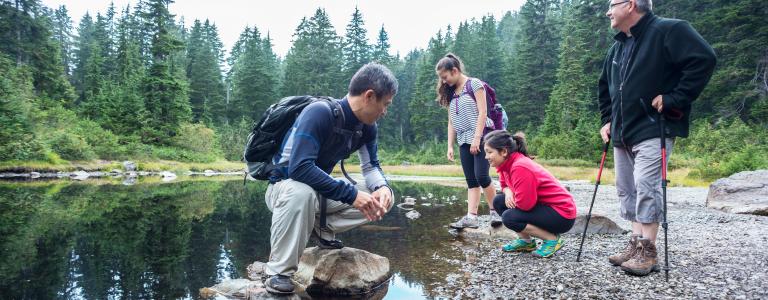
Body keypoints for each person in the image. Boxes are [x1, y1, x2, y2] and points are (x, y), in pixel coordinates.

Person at [598, 0, 716, 276]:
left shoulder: (669, 30)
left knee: (646, 186)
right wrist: (607, 119)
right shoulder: (618, 46)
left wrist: (676, 98)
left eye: (611, 5)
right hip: (622, 131)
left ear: (630, 5)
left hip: (653, 126)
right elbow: (605, 86)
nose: (607, 12)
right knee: (627, 189)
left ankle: (648, 252)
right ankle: (636, 244)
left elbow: (704, 59)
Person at [263, 63, 397, 295]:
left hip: (316, 193)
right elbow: (300, 168)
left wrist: (382, 187)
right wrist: (352, 195)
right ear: (369, 96)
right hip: (284, 189)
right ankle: (279, 272)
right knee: (301, 191)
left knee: (384, 197)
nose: (385, 111)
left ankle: (320, 229)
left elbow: (371, 166)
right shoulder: (319, 113)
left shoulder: (367, 128)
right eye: (385, 104)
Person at [483, 130, 577, 258]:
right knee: (499, 201)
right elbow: (504, 184)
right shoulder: (506, 164)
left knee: (509, 217)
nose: (486, 157)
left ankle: (552, 239)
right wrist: (508, 191)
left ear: (504, 151)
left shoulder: (520, 167)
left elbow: (525, 205)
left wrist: (512, 199)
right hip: (547, 207)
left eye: (489, 152)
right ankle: (526, 242)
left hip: (562, 214)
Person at [436, 53, 502, 229]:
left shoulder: (474, 84)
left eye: (445, 77)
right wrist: (450, 145)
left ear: (455, 70)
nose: (444, 81)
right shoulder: (451, 93)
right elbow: (451, 121)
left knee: (482, 175)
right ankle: (471, 217)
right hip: (463, 139)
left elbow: (483, 112)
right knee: (471, 180)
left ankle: (495, 211)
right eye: (442, 79)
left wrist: (477, 139)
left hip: (482, 135)